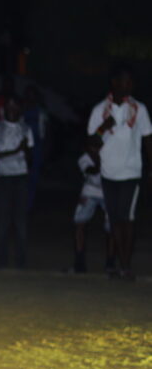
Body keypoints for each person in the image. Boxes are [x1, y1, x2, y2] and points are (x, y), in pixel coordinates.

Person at [87, 65, 152, 281]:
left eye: (131, 82)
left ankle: (125, 264)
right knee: (114, 220)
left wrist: (150, 168)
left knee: (126, 219)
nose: (130, 85)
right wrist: (103, 127)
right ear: (114, 83)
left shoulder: (139, 109)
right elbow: (91, 143)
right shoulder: (99, 110)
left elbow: (147, 139)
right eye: (126, 81)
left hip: (130, 172)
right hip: (108, 172)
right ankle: (118, 264)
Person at [0, 96, 33, 269]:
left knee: (21, 221)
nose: (12, 109)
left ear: (20, 110)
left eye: (15, 106)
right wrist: (16, 150)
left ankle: (21, 262)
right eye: (9, 107)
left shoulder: (26, 128)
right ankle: (2, 262)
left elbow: (29, 156)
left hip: (21, 176)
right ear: (3, 110)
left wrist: (25, 151)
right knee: (3, 220)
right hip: (4, 177)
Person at [72, 135, 114, 274]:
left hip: (108, 192)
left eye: (97, 146)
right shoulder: (83, 159)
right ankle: (79, 262)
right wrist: (99, 157)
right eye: (91, 146)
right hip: (89, 191)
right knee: (79, 223)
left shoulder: (109, 154)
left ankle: (110, 262)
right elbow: (92, 170)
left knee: (111, 228)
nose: (95, 149)